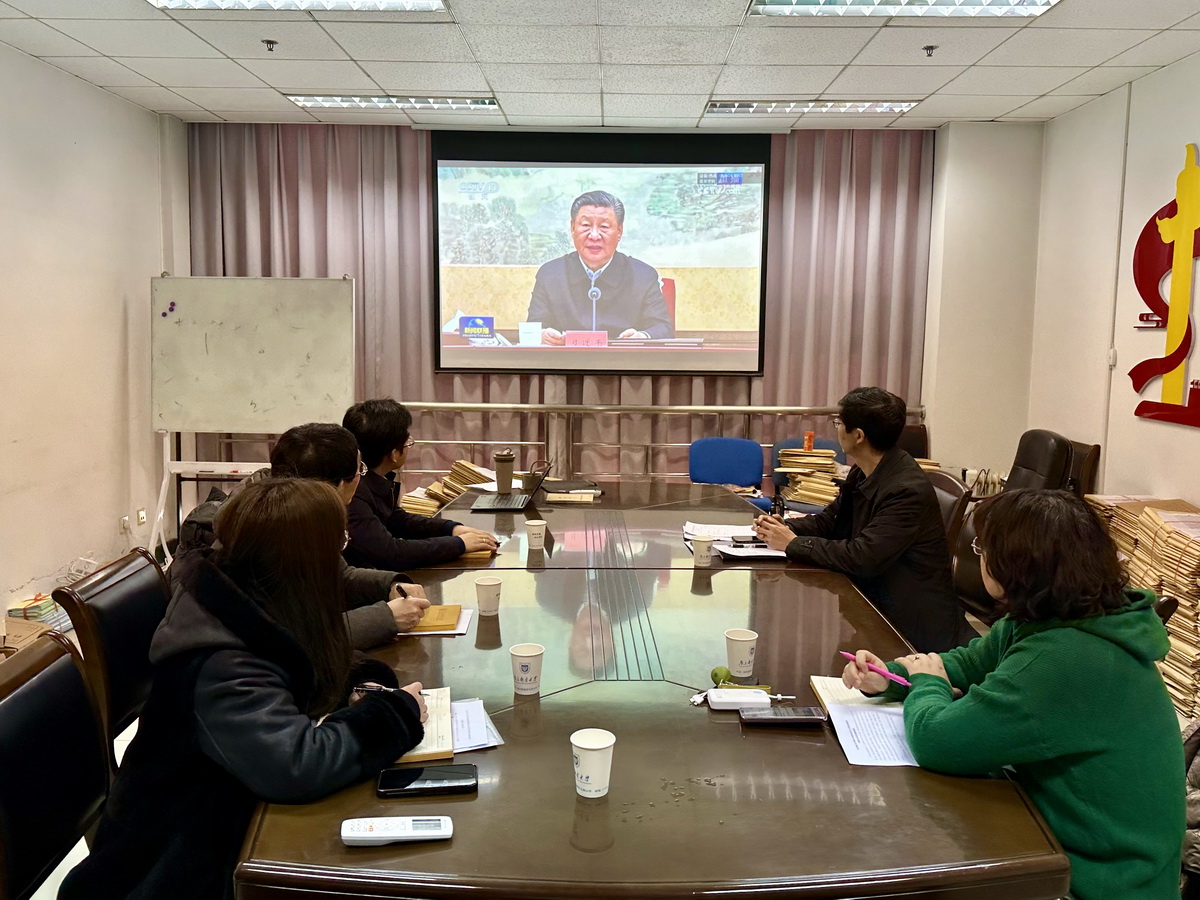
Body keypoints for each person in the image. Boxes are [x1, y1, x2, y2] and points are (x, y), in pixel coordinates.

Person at [59, 479, 428, 900]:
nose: (339, 557)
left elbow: (306, 667)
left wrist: (363, 686)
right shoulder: (222, 657)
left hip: (223, 817)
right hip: (173, 861)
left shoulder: (253, 600)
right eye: (338, 543)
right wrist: (393, 714)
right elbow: (296, 765)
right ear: (304, 559)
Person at [842, 489, 1184, 900]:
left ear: (1014, 566)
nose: (979, 557)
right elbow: (970, 662)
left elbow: (937, 740)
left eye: (982, 549)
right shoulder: (1062, 615)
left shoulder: (1065, 657)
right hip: (1076, 845)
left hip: (1103, 883)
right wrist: (892, 675)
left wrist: (928, 684)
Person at [175, 422, 431, 650]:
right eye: (359, 470)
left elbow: (337, 575)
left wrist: (389, 586)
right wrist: (386, 618)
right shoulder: (264, 533)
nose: (360, 479)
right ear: (337, 485)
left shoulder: (281, 512)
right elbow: (289, 640)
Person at [752, 386, 971, 652]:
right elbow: (830, 522)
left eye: (839, 423)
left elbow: (862, 557)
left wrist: (791, 543)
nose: (836, 429)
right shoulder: (864, 472)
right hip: (876, 600)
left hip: (909, 624)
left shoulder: (905, 490)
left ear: (858, 436)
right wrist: (783, 528)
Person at [342, 399, 498, 571]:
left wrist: (451, 529)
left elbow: (398, 520)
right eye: (407, 441)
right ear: (394, 454)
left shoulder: (372, 480)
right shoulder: (353, 492)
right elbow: (391, 554)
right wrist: (458, 544)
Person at [526, 190, 674, 344]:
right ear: (572, 228)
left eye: (604, 226)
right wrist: (542, 335)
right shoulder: (550, 275)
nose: (594, 235)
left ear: (619, 231)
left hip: (623, 358)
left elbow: (663, 329)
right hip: (567, 358)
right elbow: (534, 327)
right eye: (586, 225)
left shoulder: (643, 276)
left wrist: (642, 336)